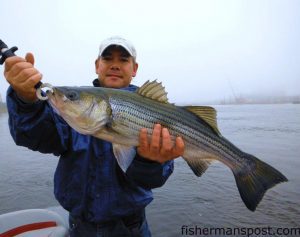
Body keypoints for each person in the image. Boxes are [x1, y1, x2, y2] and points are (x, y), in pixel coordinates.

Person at [4, 36, 185, 237]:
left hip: (131, 228)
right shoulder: (70, 115)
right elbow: (32, 135)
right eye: (107, 59)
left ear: (134, 69)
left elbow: (155, 179)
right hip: (79, 227)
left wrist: (149, 162)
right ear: (97, 65)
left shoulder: (157, 111)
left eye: (123, 60)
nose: (115, 65)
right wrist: (25, 101)